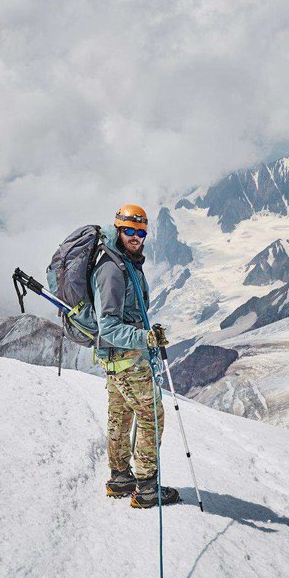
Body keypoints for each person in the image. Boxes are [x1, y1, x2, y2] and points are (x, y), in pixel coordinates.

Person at [93, 204, 180, 509]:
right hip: (128, 359)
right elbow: (108, 325)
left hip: (115, 359)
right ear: (118, 229)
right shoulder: (112, 270)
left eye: (140, 232)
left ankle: (120, 479)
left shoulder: (123, 261)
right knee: (151, 417)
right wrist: (144, 338)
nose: (135, 236)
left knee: (120, 416)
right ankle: (146, 488)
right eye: (129, 230)